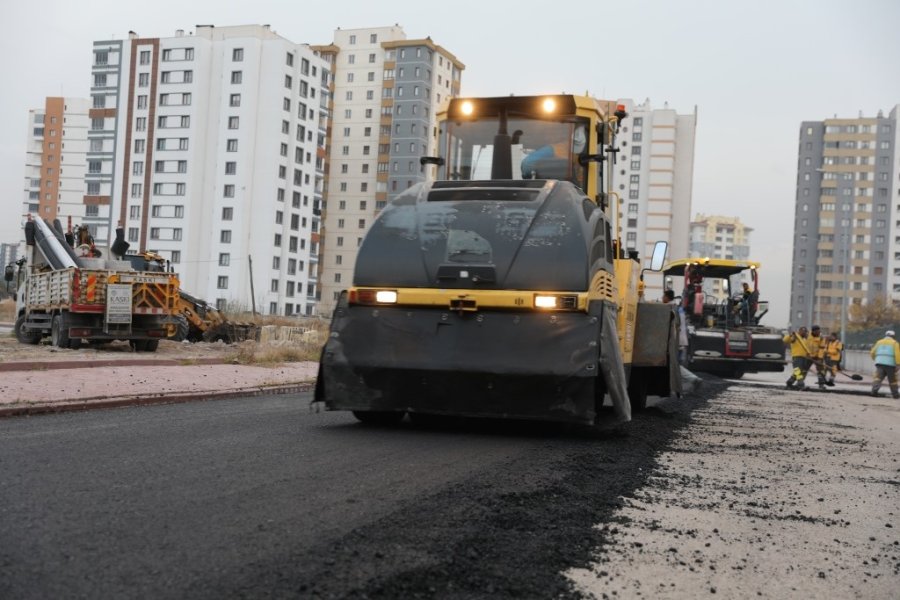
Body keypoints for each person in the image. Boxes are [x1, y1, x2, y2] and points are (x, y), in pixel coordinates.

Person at [870, 330, 900, 399]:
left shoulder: (879, 342)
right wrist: (898, 364)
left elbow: (872, 352)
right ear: (893, 336)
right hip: (890, 364)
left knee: (878, 378)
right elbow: (897, 354)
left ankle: (874, 392)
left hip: (879, 363)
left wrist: (876, 359)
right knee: (892, 380)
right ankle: (895, 395)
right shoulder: (895, 343)